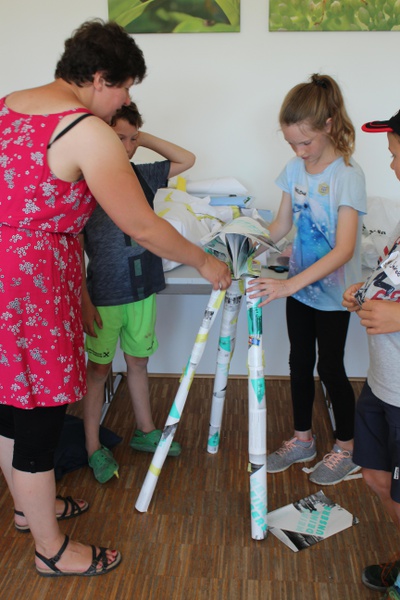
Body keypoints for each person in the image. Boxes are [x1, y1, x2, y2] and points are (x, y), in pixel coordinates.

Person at [0, 19, 230, 578]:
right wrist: (205, 261)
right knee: (37, 416)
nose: (126, 100)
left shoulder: (9, 105)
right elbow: (142, 226)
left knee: (11, 403)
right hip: (33, 280)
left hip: (11, 270)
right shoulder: (85, 130)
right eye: (124, 87)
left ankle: (31, 511)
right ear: (100, 77)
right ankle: (51, 551)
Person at [247, 73, 367, 485]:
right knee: (299, 363)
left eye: (305, 143)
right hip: (299, 289)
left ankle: (347, 448)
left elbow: (344, 249)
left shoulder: (347, 175)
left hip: (333, 295)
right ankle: (303, 440)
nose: (299, 152)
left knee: (331, 368)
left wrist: (287, 285)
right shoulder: (293, 169)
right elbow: (281, 225)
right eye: (292, 144)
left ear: (329, 125)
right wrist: (244, 248)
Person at [81, 101, 195, 483]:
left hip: (143, 290)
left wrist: (140, 137)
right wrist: (83, 298)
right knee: (98, 371)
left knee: (138, 363)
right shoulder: (83, 183)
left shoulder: (142, 174)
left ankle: (146, 431)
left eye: (132, 140)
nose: (127, 147)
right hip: (105, 296)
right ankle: (92, 446)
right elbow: (72, 246)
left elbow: (186, 159)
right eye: (119, 138)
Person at [343, 110, 400, 598]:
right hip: (383, 380)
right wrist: (367, 289)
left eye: (397, 156)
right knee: (378, 478)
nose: (393, 166)